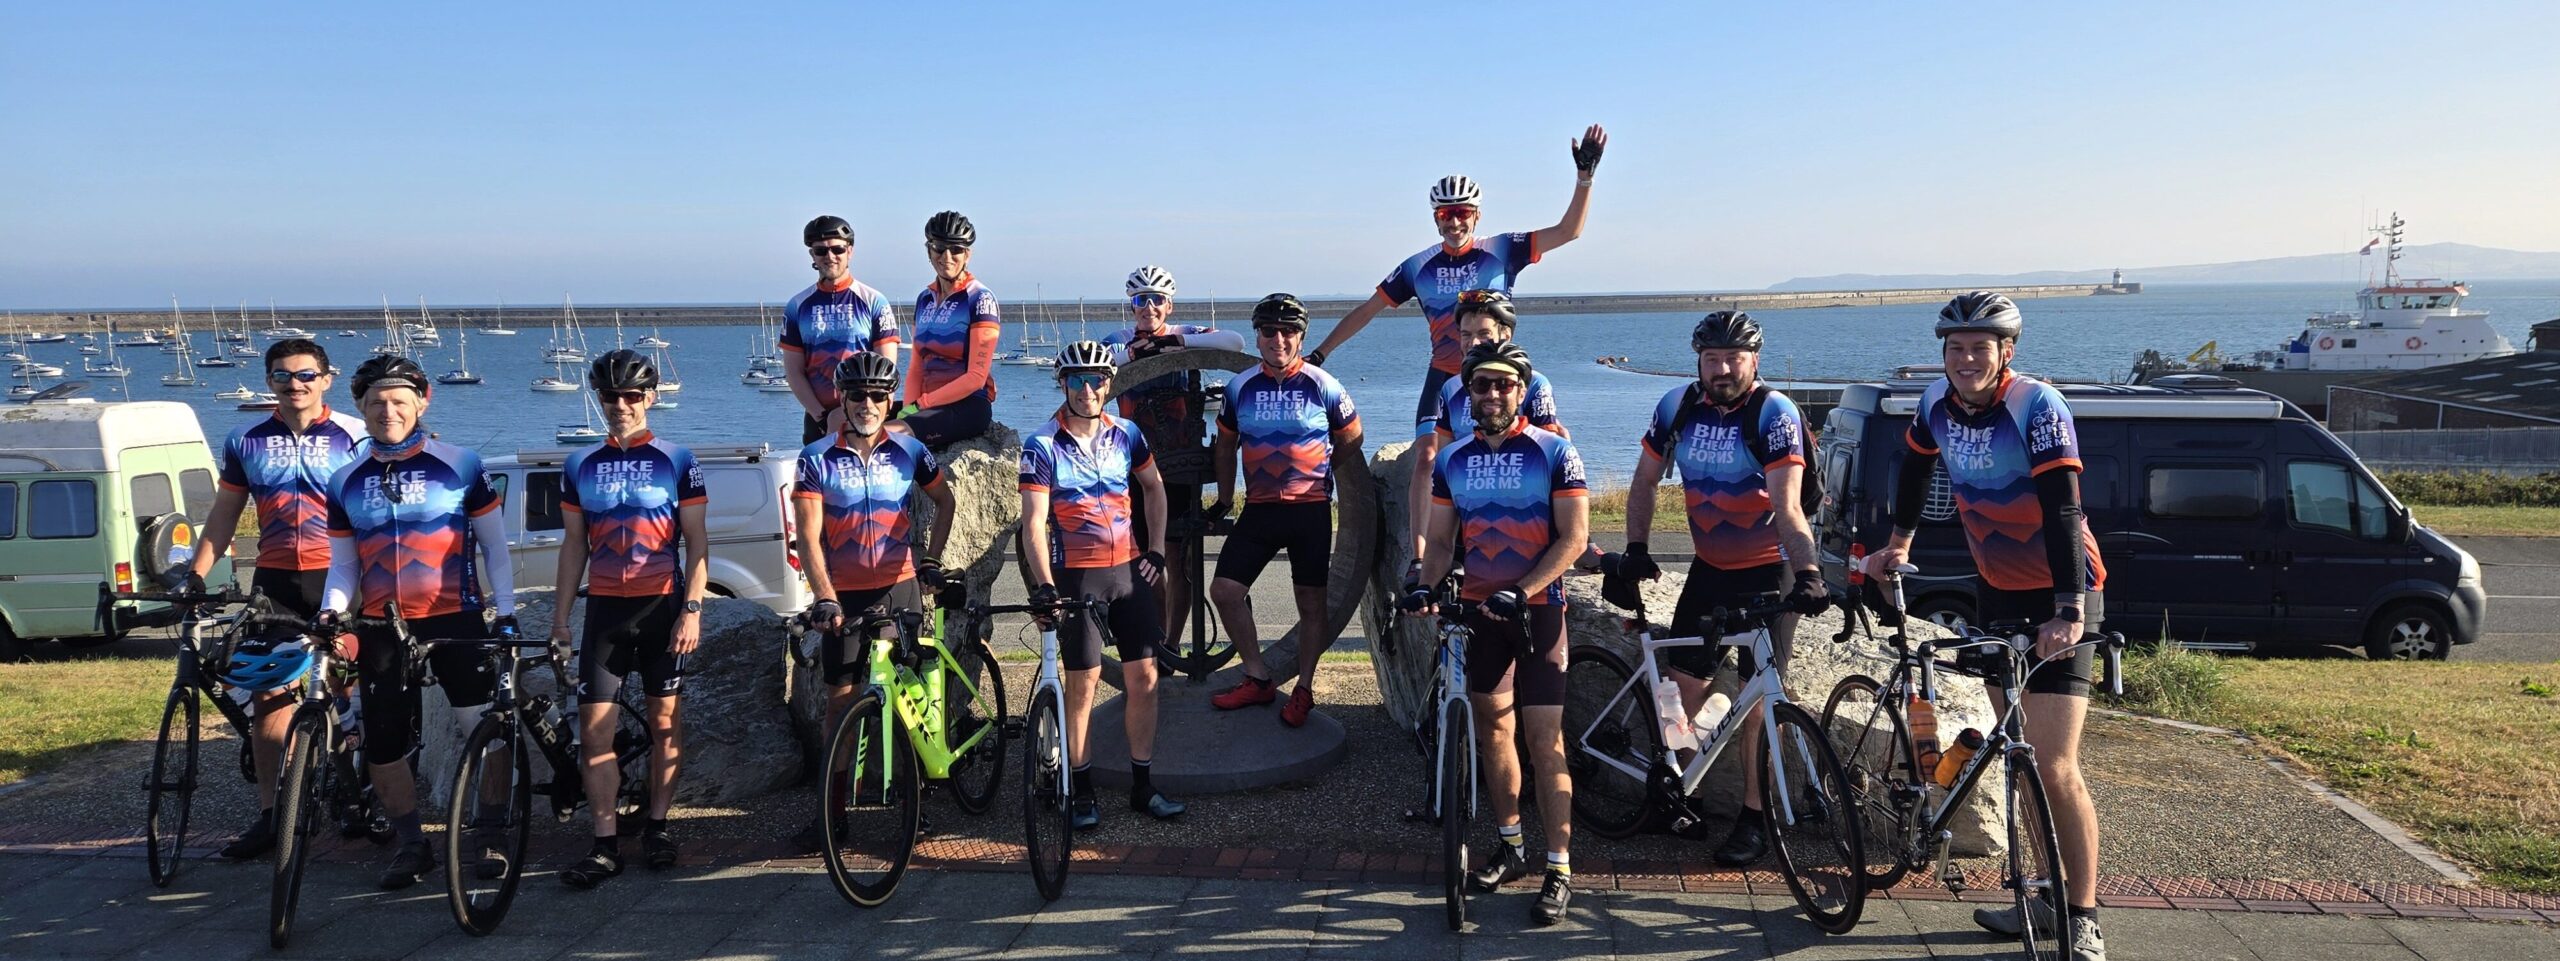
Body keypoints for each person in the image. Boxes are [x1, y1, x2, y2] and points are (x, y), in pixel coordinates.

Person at [1861, 292, 2110, 961]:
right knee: (2018, 755)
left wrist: (2069, 609)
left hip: (2064, 592)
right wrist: (1898, 542)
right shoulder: (1934, 404)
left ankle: (2083, 916)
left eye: (1980, 347)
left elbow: (2063, 507)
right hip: (1997, 588)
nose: (1966, 359)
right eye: (1956, 348)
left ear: (2007, 352)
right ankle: (2044, 898)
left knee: (2055, 765)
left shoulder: (2036, 405)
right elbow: (1914, 467)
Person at [1610, 311, 1830, 865]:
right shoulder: (1678, 407)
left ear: (1754, 360)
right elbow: (1644, 481)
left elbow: (1788, 506)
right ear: (1699, 362)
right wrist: (1636, 547)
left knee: (1761, 702)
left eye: (1734, 358)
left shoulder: (1773, 413)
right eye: (1713, 359)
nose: (1723, 369)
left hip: (1769, 570)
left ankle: (1754, 818)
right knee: (1682, 691)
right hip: (1710, 569)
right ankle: (1686, 800)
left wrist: (1808, 572)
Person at [1400, 341, 1589, 926]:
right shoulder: (1453, 459)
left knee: (1544, 740)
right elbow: (1440, 542)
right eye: (1481, 385)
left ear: (1521, 391)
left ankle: (1558, 867)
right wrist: (1424, 586)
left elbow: (1574, 539)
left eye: (1504, 384)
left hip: (1538, 612)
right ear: (1469, 393)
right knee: (1493, 732)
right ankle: (1510, 845)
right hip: (1480, 613)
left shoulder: (1554, 451)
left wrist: (1524, 590)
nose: (1492, 394)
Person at [315, 356, 517, 890]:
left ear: (422, 403)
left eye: (400, 401)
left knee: (485, 729)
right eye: (377, 402)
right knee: (383, 742)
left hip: (456, 617)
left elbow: (495, 548)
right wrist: (331, 610)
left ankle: (490, 830)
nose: (389, 412)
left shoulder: (461, 464)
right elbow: (344, 565)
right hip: (382, 626)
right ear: (360, 407)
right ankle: (412, 844)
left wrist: (506, 612)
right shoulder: (344, 479)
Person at [185, 338, 365, 861]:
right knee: (269, 696)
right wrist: (196, 574)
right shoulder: (246, 439)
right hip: (277, 580)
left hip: (342, 575)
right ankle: (271, 814)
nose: (295, 384)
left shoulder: (355, 434)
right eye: (283, 375)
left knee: (346, 689)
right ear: (269, 382)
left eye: (306, 375)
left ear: (326, 379)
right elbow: (224, 513)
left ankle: (353, 790)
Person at [1304, 125, 1605, 438]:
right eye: (1445, 214)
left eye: (1463, 212)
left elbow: (1568, 231)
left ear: (1477, 216)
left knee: (1517, 445)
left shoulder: (1502, 249)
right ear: (1436, 219)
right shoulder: (1418, 266)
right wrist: (1319, 355)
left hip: (1496, 370)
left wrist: (1585, 178)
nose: (1455, 222)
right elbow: (1366, 311)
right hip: (1444, 375)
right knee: (1426, 455)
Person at [549, 350, 710, 887]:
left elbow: (697, 542)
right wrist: (560, 619)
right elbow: (574, 546)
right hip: (605, 612)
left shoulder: (677, 459)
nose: (620, 404)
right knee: (595, 734)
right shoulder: (579, 464)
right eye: (610, 396)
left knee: (666, 726)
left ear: (650, 398)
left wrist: (691, 610)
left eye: (631, 395)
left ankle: (658, 828)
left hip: (661, 606)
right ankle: (604, 845)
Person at [1017, 341, 1189, 829]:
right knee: (1083, 685)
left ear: (1109, 385)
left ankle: (1143, 786)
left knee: (1146, 680)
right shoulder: (1042, 444)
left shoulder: (1127, 434)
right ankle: (1082, 789)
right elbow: (1034, 524)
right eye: (1077, 380)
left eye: (1096, 380)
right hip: (1077, 575)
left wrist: (1156, 550)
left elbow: (1154, 487)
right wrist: (1045, 585)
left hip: (1128, 571)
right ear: (1063, 384)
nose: (1087, 389)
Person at [790, 351, 957, 849]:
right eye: (858, 395)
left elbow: (944, 501)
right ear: (842, 399)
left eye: (878, 395)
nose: (868, 403)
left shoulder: (910, 451)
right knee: (839, 704)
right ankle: (832, 815)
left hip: (899, 587)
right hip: (844, 594)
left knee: (910, 699)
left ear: (890, 401)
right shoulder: (815, 458)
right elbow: (808, 536)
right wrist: (824, 597)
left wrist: (930, 558)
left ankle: (915, 804)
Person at [1205, 294, 1362, 727]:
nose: (1279, 339)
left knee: (1311, 604)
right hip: (1259, 509)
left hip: (1309, 511)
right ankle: (1257, 677)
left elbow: (1353, 436)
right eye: (1269, 331)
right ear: (1257, 337)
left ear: (1301, 337)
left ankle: (1305, 688)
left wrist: (1323, 472)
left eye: (1288, 331)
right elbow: (1225, 447)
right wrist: (1224, 499)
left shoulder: (1323, 384)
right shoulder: (1240, 388)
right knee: (1225, 591)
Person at [1098, 265, 1248, 644]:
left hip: (1181, 466)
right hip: (1134, 465)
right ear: (1131, 306)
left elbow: (1234, 342)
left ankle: (1172, 643)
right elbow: (1100, 363)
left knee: (1179, 560)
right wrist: (1137, 351)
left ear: (1169, 305)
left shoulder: (1186, 332)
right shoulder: (1118, 339)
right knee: (1147, 560)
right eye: (1140, 300)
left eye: (1157, 299)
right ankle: (1157, 641)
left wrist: (1175, 343)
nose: (1148, 307)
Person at [1405, 291, 1564, 564]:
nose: (1473, 343)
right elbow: (1444, 463)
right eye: (1465, 335)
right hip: (1467, 514)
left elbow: (1548, 461)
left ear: (1506, 335)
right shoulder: (1451, 389)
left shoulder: (1534, 384)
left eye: (1484, 334)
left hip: (1523, 513)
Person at [782, 214, 901, 445]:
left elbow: (888, 370)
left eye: (837, 249)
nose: (830, 256)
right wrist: (821, 417)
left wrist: (870, 413)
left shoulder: (874, 300)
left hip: (864, 413)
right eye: (821, 251)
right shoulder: (797, 305)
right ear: (812, 255)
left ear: (850, 251)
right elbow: (794, 371)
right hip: (819, 417)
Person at [896, 211, 1001, 448]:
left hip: (968, 406)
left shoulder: (980, 298)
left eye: (956, 250)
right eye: (939, 248)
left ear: (967, 255)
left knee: (891, 434)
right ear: (929, 251)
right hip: (928, 404)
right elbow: (916, 367)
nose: (947, 256)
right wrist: (908, 409)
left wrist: (920, 406)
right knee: (856, 425)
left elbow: (976, 378)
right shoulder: (925, 299)